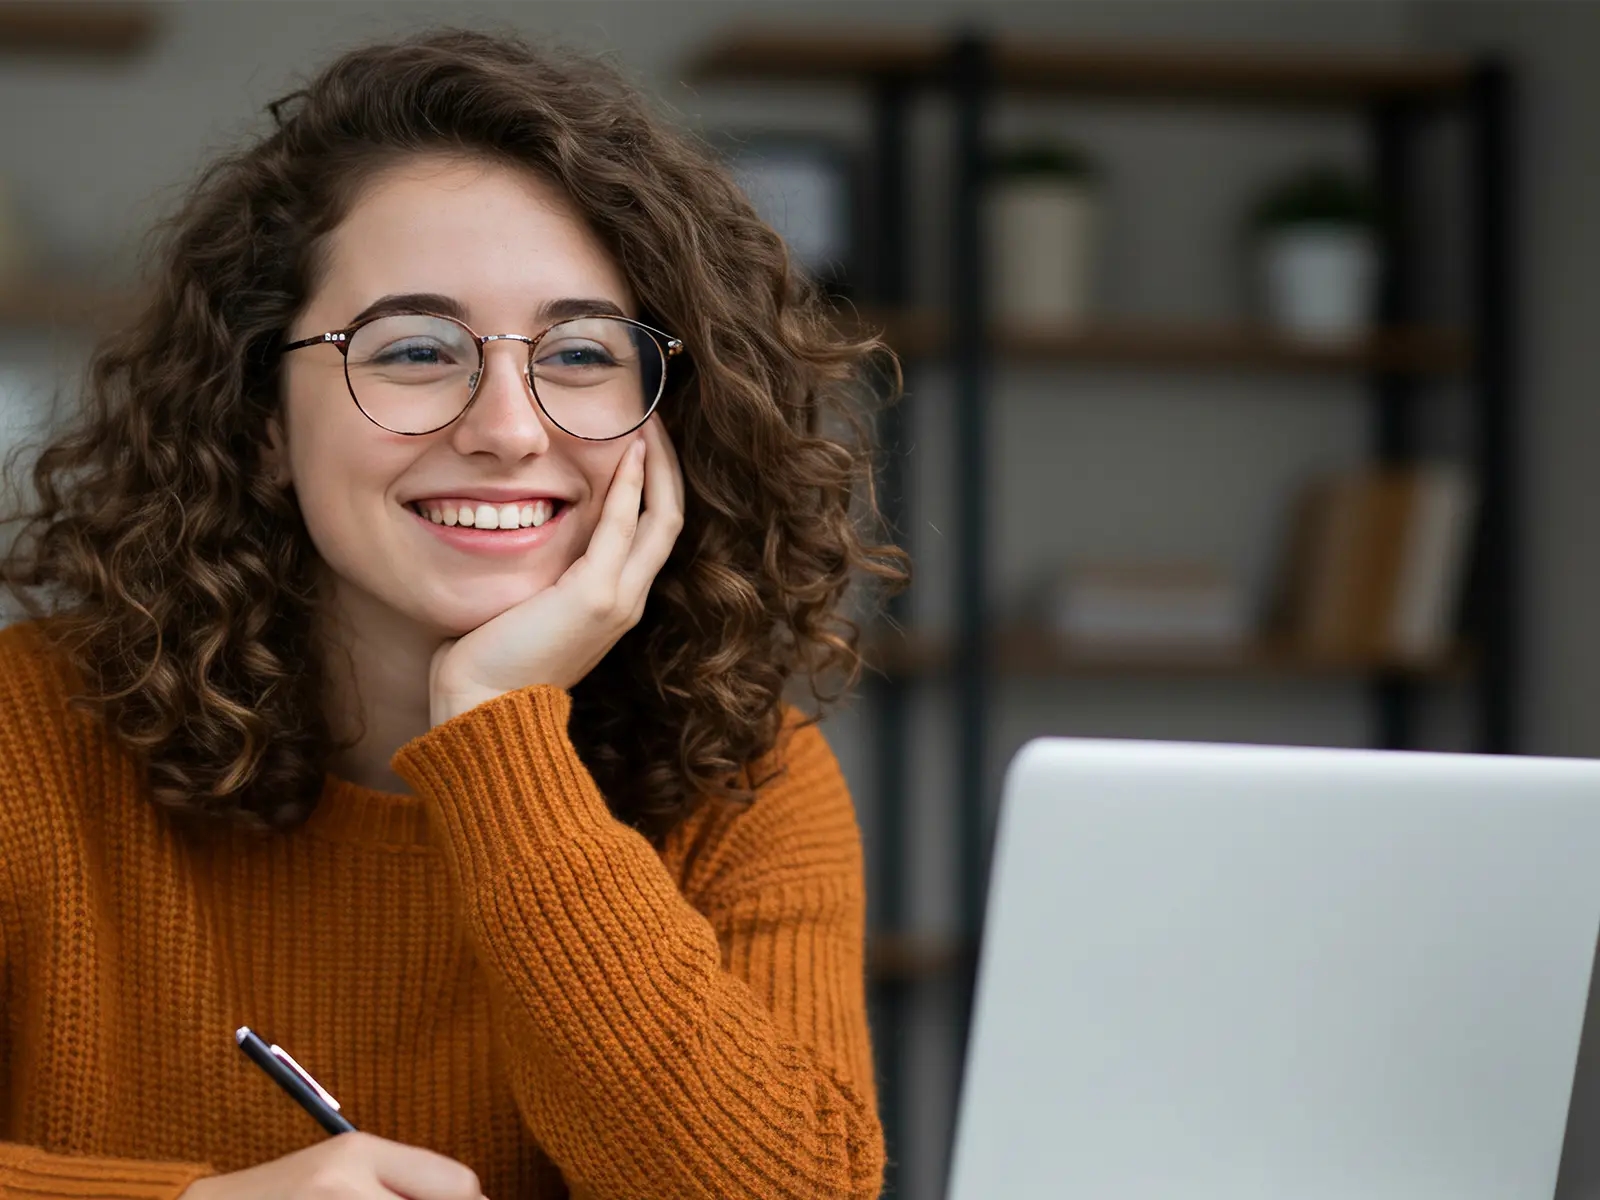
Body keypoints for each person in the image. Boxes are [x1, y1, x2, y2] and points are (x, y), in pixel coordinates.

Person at [0, 29, 903, 1200]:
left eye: (579, 353)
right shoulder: (28, 737)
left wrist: (496, 736)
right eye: (418, 349)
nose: (508, 429)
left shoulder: (749, 784)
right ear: (262, 419)